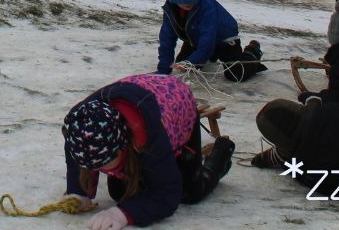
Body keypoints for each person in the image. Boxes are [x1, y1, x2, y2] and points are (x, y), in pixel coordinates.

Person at [62, 73, 234, 228]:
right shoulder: (79, 124)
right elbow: (77, 155)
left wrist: (123, 214)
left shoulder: (150, 135)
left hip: (177, 102)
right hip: (141, 91)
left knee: (190, 192)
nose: (99, 171)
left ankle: (222, 151)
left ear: (123, 145)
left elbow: (168, 195)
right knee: (121, 193)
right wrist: (78, 193)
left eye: (103, 164)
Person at [157, 0, 265, 82]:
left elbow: (208, 40)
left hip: (224, 41)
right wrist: (163, 70)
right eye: (183, 0)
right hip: (195, 39)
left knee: (236, 74)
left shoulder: (207, 7)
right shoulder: (170, 10)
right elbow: (167, 39)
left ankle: (253, 50)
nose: (188, 3)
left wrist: (192, 61)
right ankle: (210, 56)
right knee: (185, 67)